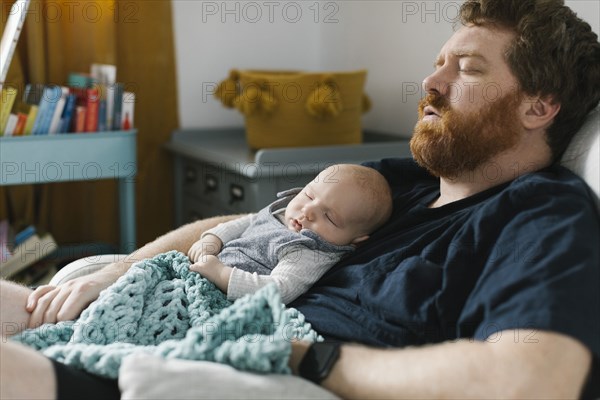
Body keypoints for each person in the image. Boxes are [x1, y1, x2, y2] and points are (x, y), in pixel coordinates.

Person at [1, 0, 599, 398]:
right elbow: (249, 222)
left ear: (538, 106)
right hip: (191, 320)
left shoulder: (540, 213)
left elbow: (534, 378)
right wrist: (123, 270)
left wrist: (308, 360)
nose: (430, 84)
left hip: (253, 370)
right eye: (438, 62)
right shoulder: (406, 182)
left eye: (466, 68)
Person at [187, 164, 392, 304]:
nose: (308, 211)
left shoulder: (306, 251)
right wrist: (214, 238)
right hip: (203, 273)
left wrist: (222, 274)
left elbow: (279, 290)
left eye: (329, 217)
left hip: (224, 299)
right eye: (309, 195)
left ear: (356, 241)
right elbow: (248, 221)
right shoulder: (284, 215)